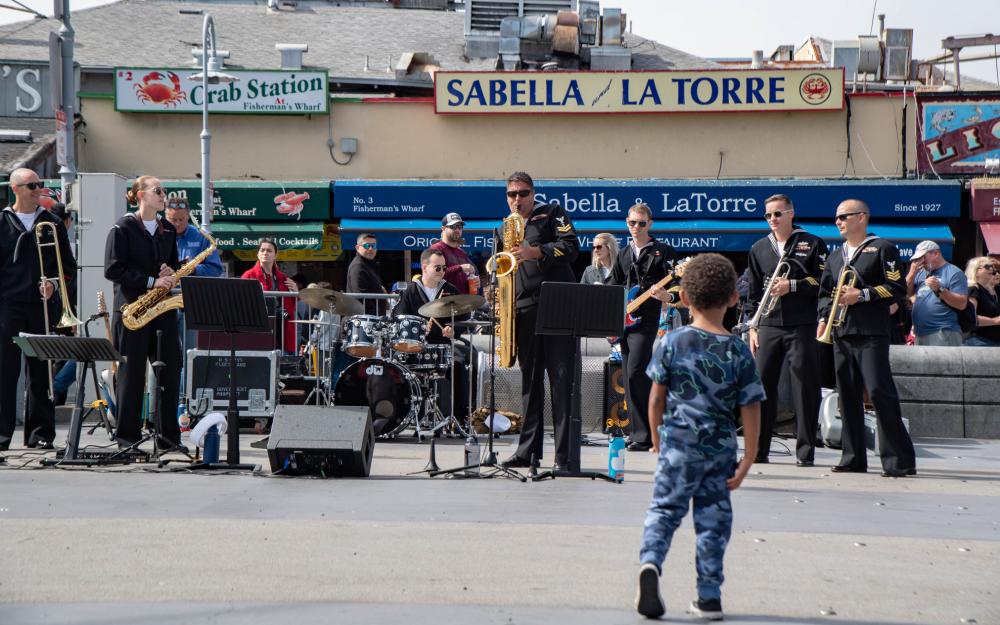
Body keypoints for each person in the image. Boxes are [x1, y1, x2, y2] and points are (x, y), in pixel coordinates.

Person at [636, 253, 763, 621]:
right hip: (719, 450)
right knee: (713, 522)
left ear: (685, 298)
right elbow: (751, 408)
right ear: (734, 298)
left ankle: (651, 563)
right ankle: (708, 597)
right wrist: (749, 457)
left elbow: (656, 397)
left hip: (678, 444)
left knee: (664, 510)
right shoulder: (739, 351)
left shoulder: (672, 342)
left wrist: (658, 439)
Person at [817, 199, 915, 478]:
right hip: (841, 333)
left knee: (879, 393)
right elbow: (824, 293)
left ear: (861, 217)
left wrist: (861, 295)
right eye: (836, 218)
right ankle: (853, 457)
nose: (838, 222)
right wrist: (825, 316)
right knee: (846, 396)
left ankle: (899, 460)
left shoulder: (882, 248)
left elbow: (896, 288)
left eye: (843, 217)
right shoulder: (836, 256)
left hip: (871, 332)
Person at [499, 171, 580, 470]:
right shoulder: (503, 228)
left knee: (561, 380)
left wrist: (537, 252)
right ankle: (527, 451)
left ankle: (564, 457)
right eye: (511, 194)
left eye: (522, 193)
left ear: (533, 194)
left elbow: (572, 247)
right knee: (530, 383)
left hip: (557, 305)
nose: (516, 199)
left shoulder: (552, 213)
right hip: (523, 310)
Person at [745, 194, 827, 466]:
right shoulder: (758, 248)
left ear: (791, 214)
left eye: (778, 214)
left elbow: (824, 283)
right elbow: (753, 292)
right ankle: (759, 450)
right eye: (768, 215)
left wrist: (792, 286)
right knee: (762, 386)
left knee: (804, 387)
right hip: (767, 325)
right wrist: (752, 327)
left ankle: (805, 452)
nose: (772, 220)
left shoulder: (812, 243)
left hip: (801, 324)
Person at [104, 175, 183, 450]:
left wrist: (170, 273)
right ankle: (127, 438)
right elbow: (113, 270)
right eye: (158, 191)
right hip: (132, 311)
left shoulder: (168, 229)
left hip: (161, 308)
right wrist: (151, 281)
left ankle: (168, 438)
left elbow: (172, 265)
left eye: (164, 191)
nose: (164, 195)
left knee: (170, 370)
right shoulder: (122, 228)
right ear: (140, 195)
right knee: (131, 373)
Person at [0, 168, 76, 450]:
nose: (37, 189)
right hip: (8, 306)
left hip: (42, 305)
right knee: (5, 373)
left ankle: (41, 434)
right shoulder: (2, 222)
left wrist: (54, 286)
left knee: (41, 373)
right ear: (16, 188)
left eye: (40, 184)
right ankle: (2, 435)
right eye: (32, 185)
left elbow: (67, 267)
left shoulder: (52, 223)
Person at [608, 203, 677, 452]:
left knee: (637, 370)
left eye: (641, 223)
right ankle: (639, 432)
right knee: (628, 376)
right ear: (626, 222)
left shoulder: (663, 252)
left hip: (646, 321)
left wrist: (666, 296)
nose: (636, 227)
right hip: (624, 321)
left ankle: (648, 432)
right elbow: (613, 286)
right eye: (632, 223)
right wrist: (609, 319)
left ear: (651, 224)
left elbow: (677, 285)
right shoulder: (624, 254)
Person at [392, 248, 469, 432]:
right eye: (437, 268)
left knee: (459, 366)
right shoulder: (411, 290)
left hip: (442, 347)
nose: (442, 272)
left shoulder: (449, 290)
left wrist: (454, 330)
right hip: (416, 348)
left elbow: (463, 319)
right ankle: (405, 415)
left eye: (444, 268)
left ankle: (459, 417)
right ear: (425, 267)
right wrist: (418, 326)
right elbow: (399, 318)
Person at [905, 240, 968, 346]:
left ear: (936, 253)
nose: (921, 262)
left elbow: (961, 304)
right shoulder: (921, 273)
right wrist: (912, 272)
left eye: (923, 257)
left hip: (943, 331)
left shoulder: (954, 272)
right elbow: (906, 293)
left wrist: (940, 289)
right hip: (919, 333)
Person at [240, 238, 297, 354]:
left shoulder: (283, 278)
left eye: (269, 251)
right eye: (262, 250)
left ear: (275, 255)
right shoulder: (249, 275)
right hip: (257, 328)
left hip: (281, 329)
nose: (265, 253)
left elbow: (292, 307)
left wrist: (296, 292)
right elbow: (240, 302)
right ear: (257, 254)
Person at [431, 212, 479, 294]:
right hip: (444, 303)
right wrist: (460, 268)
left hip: (462, 303)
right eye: (453, 227)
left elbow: (461, 280)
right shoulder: (436, 248)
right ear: (443, 228)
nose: (457, 230)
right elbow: (436, 275)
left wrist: (474, 282)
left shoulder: (462, 252)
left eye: (460, 227)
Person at [963, 257, 1000, 347]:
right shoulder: (973, 289)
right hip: (980, 341)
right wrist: (994, 321)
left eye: (992, 266)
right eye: (987, 266)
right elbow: (971, 317)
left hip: (993, 341)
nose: (992, 269)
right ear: (976, 271)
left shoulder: (988, 291)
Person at [346, 233, 385, 315]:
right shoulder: (358, 266)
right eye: (367, 246)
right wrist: (376, 314)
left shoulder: (370, 265)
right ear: (357, 248)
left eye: (373, 246)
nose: (371, 249)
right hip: (364, 321)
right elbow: (360, 295)